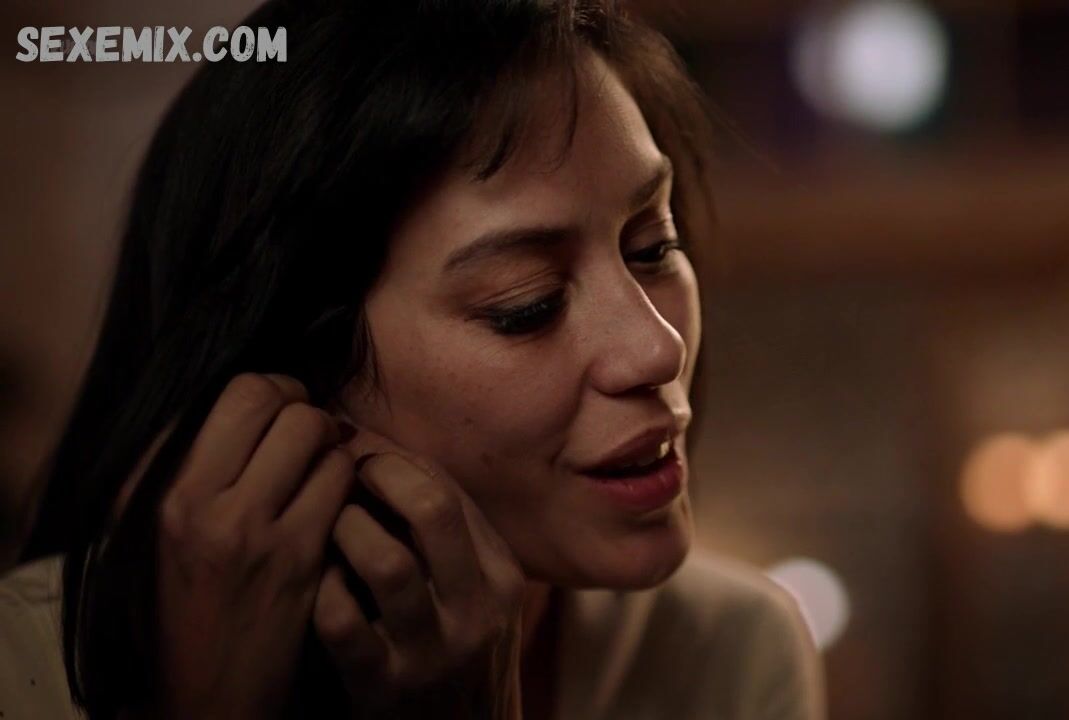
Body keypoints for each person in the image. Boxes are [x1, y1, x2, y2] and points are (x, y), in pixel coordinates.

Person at [0, 0, 826, 718]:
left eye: (653, 246)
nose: (658, 347)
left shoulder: (735, 650)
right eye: (527, 305)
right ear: (297, 381)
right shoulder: (21, 666)